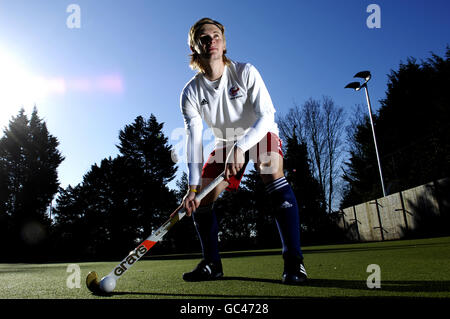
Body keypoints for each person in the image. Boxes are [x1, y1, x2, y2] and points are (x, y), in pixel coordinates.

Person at [178, 17, 307, 285]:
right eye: (204, 37)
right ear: (194, 48)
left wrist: (241, 147)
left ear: (224, 44)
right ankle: (212, 264)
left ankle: (294, 262)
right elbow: (194, 141)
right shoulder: (190, 92)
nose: (211, 40)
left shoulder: (245, 71)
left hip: (259, 132)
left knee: (271, 169)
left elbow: (267, 116)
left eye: (216, 36)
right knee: (202, 199)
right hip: (224, 142)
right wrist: (191, 190)